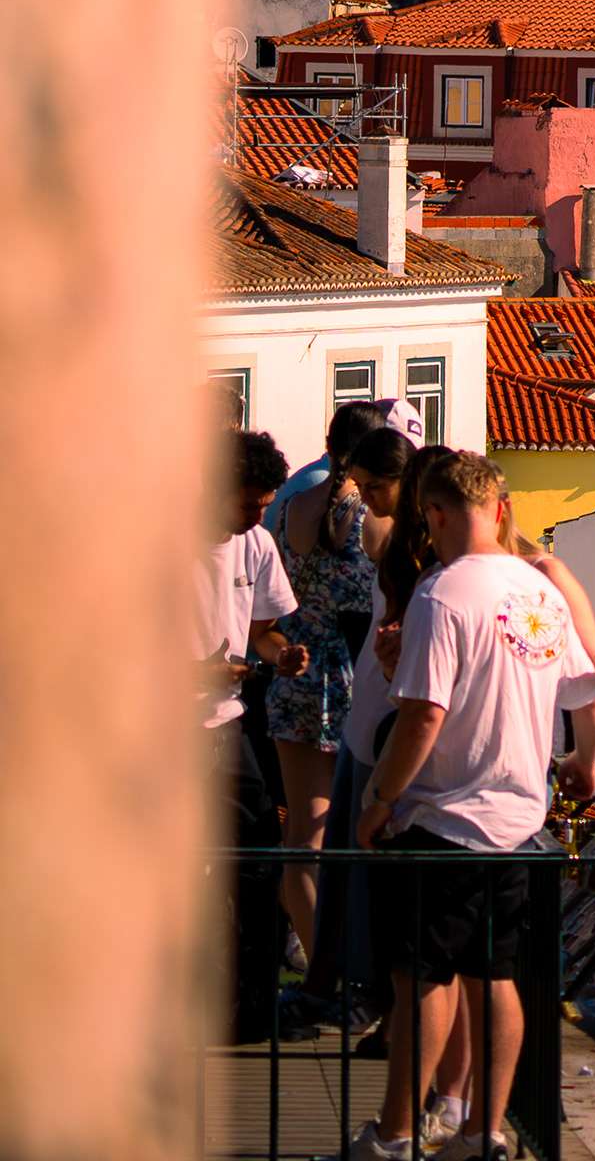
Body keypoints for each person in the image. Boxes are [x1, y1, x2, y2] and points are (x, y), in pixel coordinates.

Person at [356, 455, 595, 1161]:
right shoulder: (541, 594)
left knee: (422, 982)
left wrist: (380, 800)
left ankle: (397, 1137)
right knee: (497, 978)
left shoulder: (441, 595)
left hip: (443, 820)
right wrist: (584, 763)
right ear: (500, 509)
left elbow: (423, 716)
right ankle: (485, 1132)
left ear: (435, 515)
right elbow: (586, 696)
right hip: (519, 822)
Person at [272, 423, 407, 1020]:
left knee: (303, 836)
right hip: (353, 677)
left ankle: (318, 973)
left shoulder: (294, 507)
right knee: (353, 837)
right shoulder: (373, 520)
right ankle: (351, 976)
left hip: (294, 673)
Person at [205, 428, 307, 1044]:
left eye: (264, 505)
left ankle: (248, 1005)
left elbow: (262, 631)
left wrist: (281, 654)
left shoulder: (258, 545)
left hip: (227, 722)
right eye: (247, 504)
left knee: (260, 859)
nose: (257, 515)